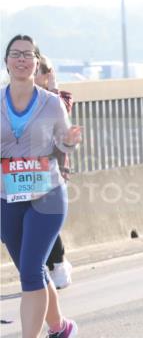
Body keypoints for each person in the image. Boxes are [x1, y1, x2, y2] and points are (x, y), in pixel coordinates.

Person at [2, 36, 83, 338]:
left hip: (47, 194)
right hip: (7, 196)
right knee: (30, 271)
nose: (22, 60)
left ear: (37, 63)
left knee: (33, 269)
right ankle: (60, 326)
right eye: (15, 54)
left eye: (28, 55)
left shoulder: (51, 103)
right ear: (7, 62)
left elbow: (65, 143)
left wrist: (68, 142)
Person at [35, 54, 74, 289]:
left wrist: (53, 87)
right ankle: (49, 265)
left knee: (46, 216)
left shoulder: (58, 99)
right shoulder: (17, 98)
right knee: (32, 219)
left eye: (42, 71)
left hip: (53, 168)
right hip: (24, 167)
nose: (37, 75)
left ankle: (58, 263)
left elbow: (63, 117)